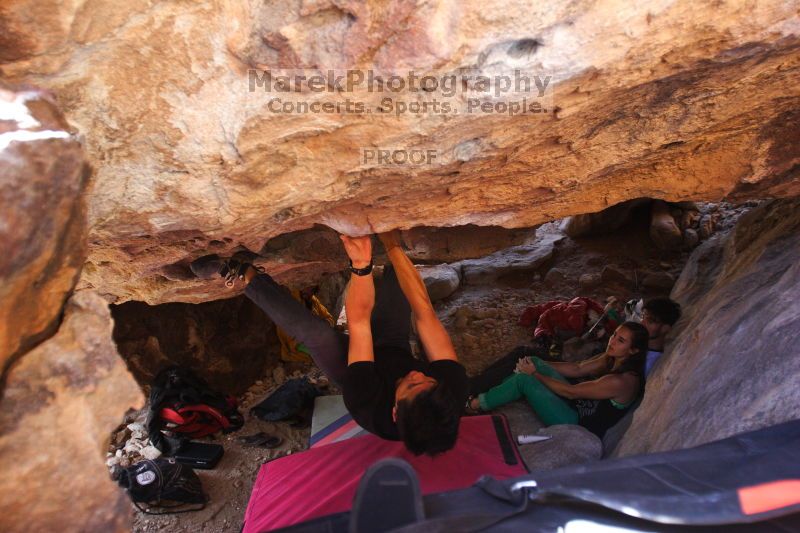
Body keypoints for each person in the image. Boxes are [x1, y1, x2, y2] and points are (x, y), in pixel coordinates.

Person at [190, 231, 468, 456]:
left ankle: (241, 270)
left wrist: (361, 266)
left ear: (395, 410)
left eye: (410, 384)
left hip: (353, 366)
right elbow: (424, 312)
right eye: (427, 380)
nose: (419, 373)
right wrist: (392, 241)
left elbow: (358, 324)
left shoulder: (366, 404)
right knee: (400, 287)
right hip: (395, 348)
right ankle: (389, 248)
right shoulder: (450, 390)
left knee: (316, 334)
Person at [468, 321, 649, 438]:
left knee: (524, 380)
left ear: (634, 350)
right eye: (615, 335)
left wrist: (535, 374)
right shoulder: (612, 358)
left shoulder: (621, 382)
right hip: (576, 404)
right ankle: (490, 392)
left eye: (621, 340)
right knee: (534, 360)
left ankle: (473, 405)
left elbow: (570, 392)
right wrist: (538, 365)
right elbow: (577, 368)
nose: (612, 341)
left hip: (576, 425)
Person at [639, 297, 681, 377]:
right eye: (642, 317)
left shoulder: (652, 362)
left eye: (650, 321)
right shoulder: (639, 345)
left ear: (665, 328)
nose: (642, 322)